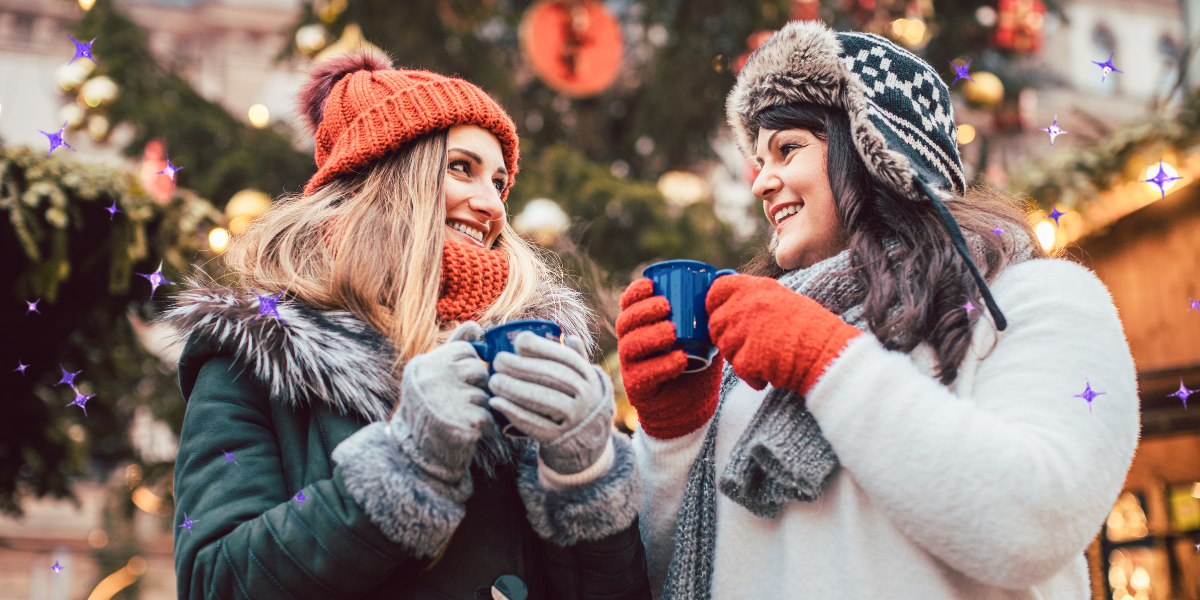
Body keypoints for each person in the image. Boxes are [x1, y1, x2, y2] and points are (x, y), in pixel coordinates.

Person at [617, 20, 1139, 600]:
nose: (762, 181)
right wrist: (674, 435)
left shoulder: (1035, 299)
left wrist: (827, 360)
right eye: (757, 161)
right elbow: (678, 572)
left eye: (788, 148)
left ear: (876, 150)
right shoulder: (753, 358)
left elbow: (1032, 523)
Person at [164, 50, 650, 600]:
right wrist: (405, 464)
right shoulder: (258, 358)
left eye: (500, 181)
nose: (492, 204)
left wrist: (586, 476)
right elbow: (216, 581)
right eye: (461, 167)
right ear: (387, 179)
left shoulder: (532, 351)